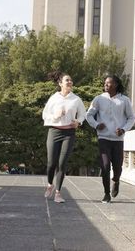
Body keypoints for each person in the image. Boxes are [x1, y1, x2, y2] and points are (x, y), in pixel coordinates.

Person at [86, 75, 135, 203]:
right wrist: (97, 125)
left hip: (118, 140)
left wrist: (124, 129)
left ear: (116, 85)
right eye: (105, 83)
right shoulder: (99, 99)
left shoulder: (124, 100)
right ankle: (106, 194)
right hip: (103, 138)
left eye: (109, 83)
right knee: (105, 166)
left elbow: (131, 118)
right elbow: (89, 115)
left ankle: (116, 180)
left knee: (117, 167)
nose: (106, 85)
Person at [42, 71, 86, 203]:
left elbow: (83, 115)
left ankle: (58, 193)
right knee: (51, 163)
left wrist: (78, 122)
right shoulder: (54, 98)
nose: (70, 82)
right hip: (54, 132)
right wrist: (55, 116)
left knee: (62, 164)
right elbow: (45, 115)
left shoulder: (76, 99)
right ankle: (50, 184)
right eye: (67, 80)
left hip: (69, 133)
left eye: (71, 80)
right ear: (60, 83)